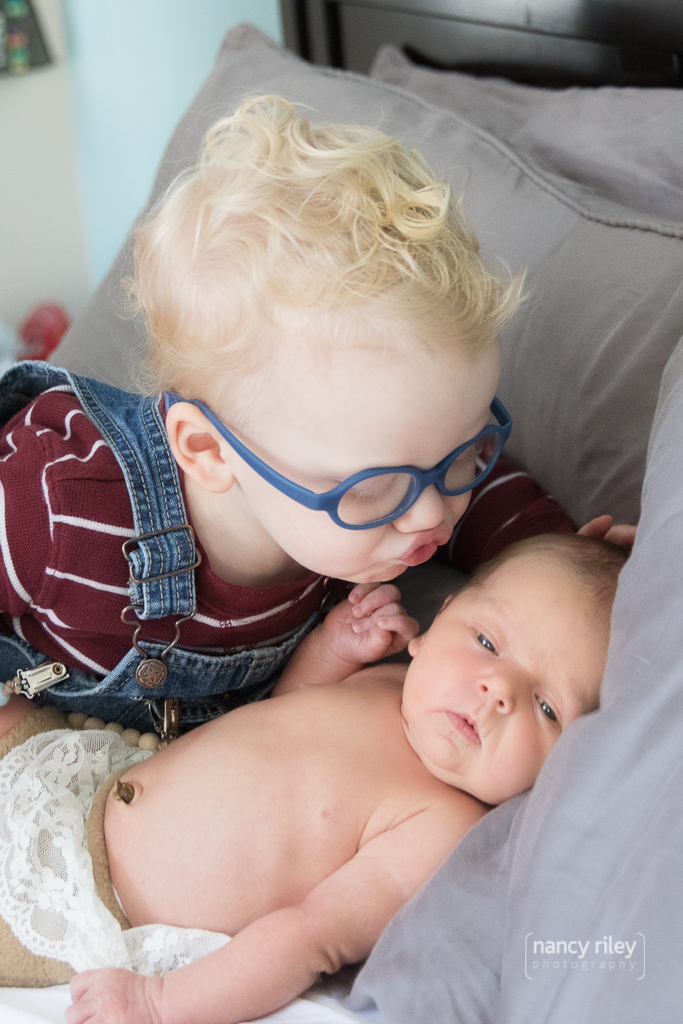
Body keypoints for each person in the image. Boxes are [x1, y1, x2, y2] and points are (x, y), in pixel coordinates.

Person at [0, 94, 624, 740]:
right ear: (210, 452)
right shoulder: (58, 508)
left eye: (463, 453)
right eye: (375, 486)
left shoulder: (384, 471)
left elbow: (492, 498)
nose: (432, 515)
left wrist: (577, 572)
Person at [0, 533, 628, 1021]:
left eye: (547, 708)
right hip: (92, 779)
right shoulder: (394, 682)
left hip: (95, 905)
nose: (498, 691)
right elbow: (285, 712)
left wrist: (159, 1005)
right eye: (487, 643)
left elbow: (313, 936)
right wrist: (334, 646)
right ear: (438, 623)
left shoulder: (441, 826)